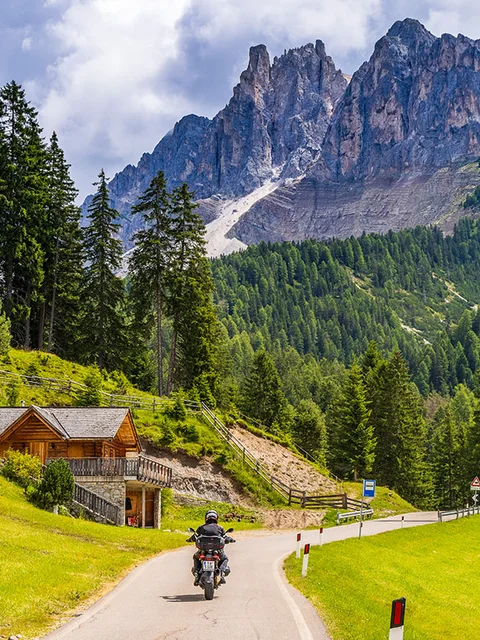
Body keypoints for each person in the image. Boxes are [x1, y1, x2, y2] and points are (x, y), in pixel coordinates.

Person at [189, 509, 233, 585]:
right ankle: (221, 572)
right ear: (216, 518)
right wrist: (230, 539)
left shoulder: (201, 527)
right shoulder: (220, 528)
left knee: (196, 557)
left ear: (206, 518)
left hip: (203, 551)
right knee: (225, 558)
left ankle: (196, 573)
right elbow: (225, 537)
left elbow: (195, 536)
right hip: (217, 551)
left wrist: (190, 539)